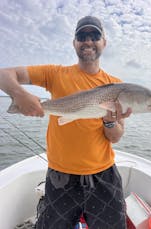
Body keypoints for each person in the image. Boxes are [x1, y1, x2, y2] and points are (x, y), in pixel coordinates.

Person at [0, 16, 132, 229]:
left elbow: (115, 137)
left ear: (104, 42)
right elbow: (4, 74)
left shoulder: (116, 86)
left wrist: (109, 122)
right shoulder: (55, 73)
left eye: (94, 36)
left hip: (103, 174)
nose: (88, 41)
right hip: (60, 175)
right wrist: (20, 94)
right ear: (74, 43)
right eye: (82, 36)